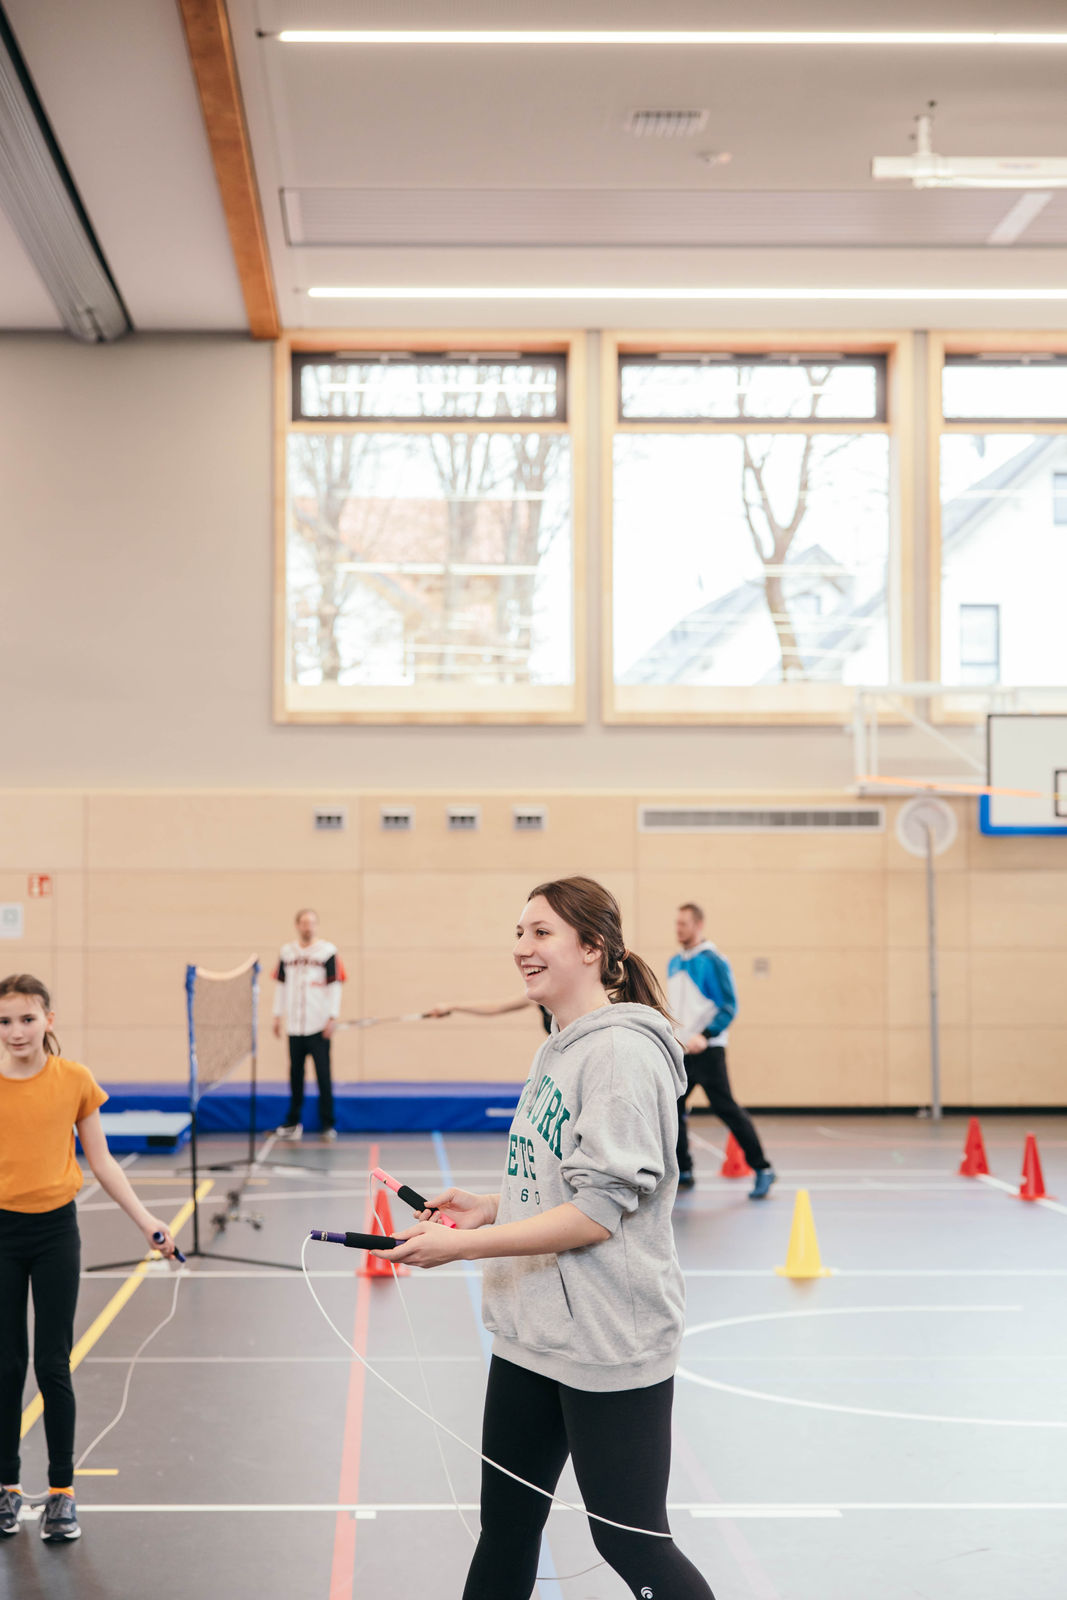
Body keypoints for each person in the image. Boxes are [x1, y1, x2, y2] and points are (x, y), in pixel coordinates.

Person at [379, 876, 716, 1600]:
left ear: (593, 948)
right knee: (505, 1524)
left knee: (629, 1541)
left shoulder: (620, 1055)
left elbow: (597, 1215)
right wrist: (492, 1207)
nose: (521, 949)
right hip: (532, 1331)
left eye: (540, 934)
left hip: (605, 1336)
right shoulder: (559, 1047)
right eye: (518, 934)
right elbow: (566, 1183)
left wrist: (459, 1249)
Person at [0, 974, 180, 1543]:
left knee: (53, 1364)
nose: (16, 1030)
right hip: (0, 1234)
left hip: (56, 1232)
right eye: (4, 1021)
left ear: (49, 1020)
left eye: (27, 1018)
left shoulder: (74, 1080)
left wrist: (148, 1221)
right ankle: (5, 1488)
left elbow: (102, 1161)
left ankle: (60, 1492)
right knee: (6, 1366)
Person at [669, 902, 775, 1199]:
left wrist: (705, 1034)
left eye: (684, 924)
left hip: (708, 1051)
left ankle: (763, 1168)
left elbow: (729, 1006)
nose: (678, 929)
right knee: (672, 1106)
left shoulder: (713, 960)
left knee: (725, 1108)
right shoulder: (674, 962)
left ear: (699, 926)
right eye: (676, 924)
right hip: (682, 1053)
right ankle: (684, 1169)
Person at [272, 908, 346, 1141]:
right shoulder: (286, 952)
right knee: (295, 1075)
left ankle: (327, 1124)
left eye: (312, 923)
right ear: (297, 925)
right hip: (295, 1026)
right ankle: (293, 1123)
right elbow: (281, 986)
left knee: (323, 1075)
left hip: (318, 1025)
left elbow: (335, 986)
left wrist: (332, 1017)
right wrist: (277, 1015)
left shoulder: (327, 952)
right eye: (304, 923)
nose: (308, 927)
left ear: (316, 925)